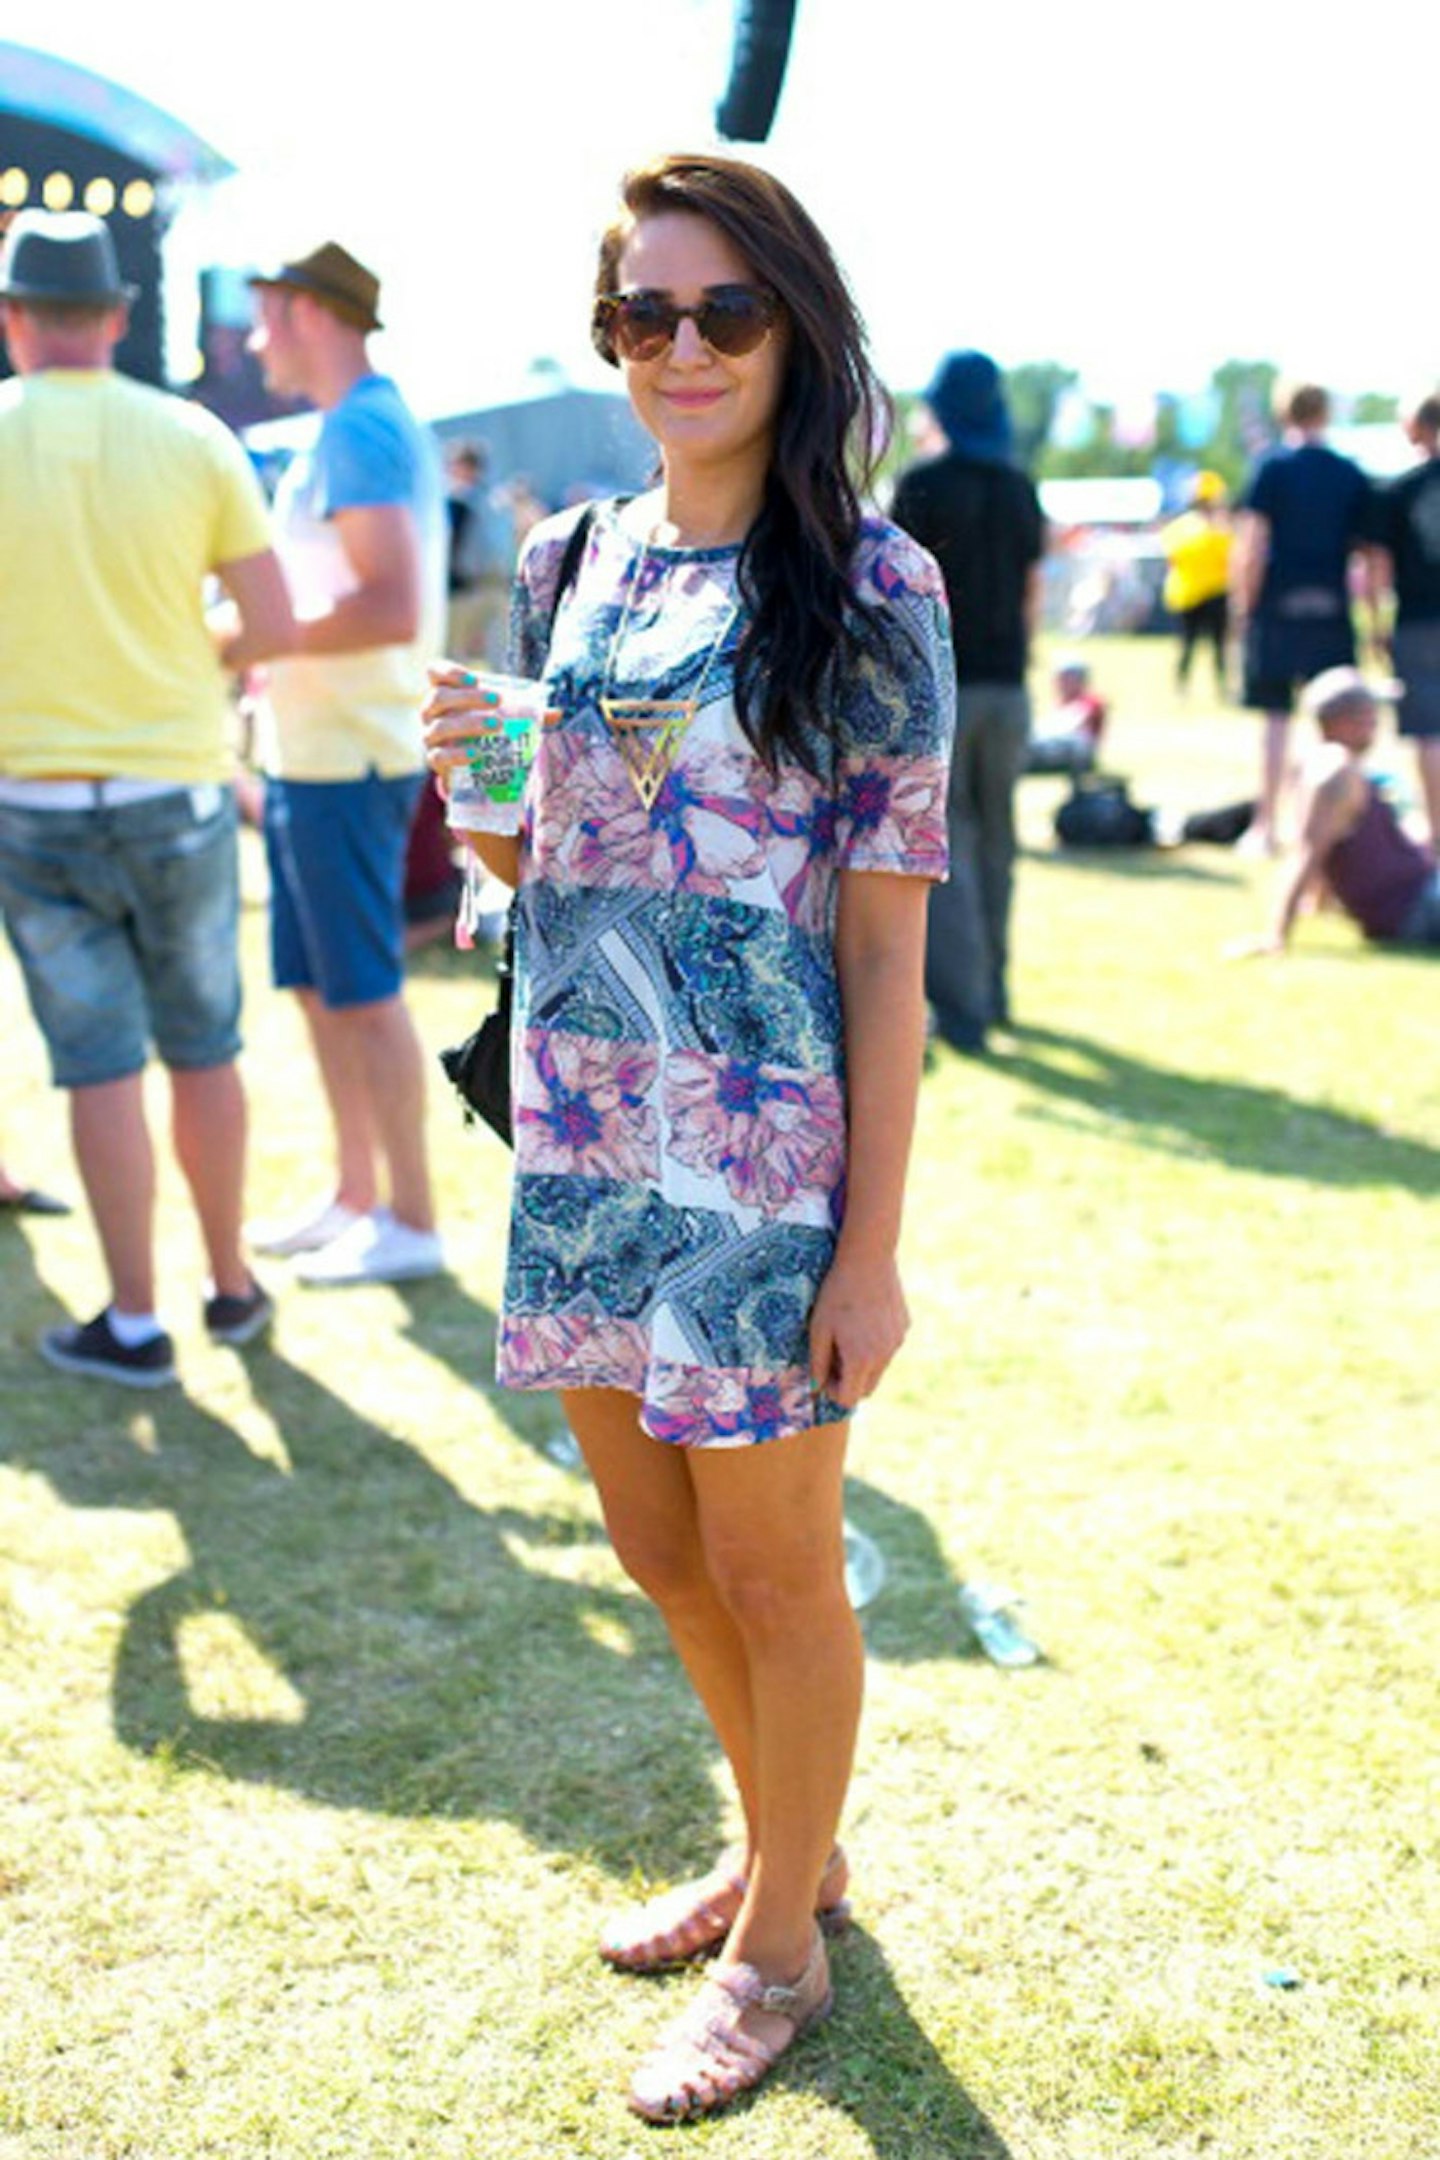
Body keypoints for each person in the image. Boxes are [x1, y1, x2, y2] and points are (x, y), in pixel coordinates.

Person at [423, 153, 954, 2122]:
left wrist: (870, 1252)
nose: (683, 350)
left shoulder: (877, 585)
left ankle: (780, 1954)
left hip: (756, 1166)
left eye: (723, 311)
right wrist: (479, 800)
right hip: (578, 1134)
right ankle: (785, 1845)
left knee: (779, 1573)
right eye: (643, 316)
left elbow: (889, 952)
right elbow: (532, 870)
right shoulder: (564, 557)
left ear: (794, 327)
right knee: (656, 1551)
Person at [0, 210, 292, 1387]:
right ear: (117, 318)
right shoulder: (194, 435)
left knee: (99, 1064)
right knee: (205, 1047)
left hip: (35, 800)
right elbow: (269, 626)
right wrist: (183, 651)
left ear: (14, 319)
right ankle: (229, 1286)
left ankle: (132, 1320)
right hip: (178, 786)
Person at [239, 242, 447, 1284]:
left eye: (264, 314)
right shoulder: (354, 426)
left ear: (310, 313)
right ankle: (358, 1195)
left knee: (360, 991)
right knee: (323, 989)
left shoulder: (361, 427)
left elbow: (389, 602)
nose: (248, 338)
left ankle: (409, 1216)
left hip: (351, 756)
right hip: (316, 751)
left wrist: (251, 639)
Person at [890, 349, 1045, 1050]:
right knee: (998, 839)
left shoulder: (922, 482)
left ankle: (963, 1006)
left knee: (945, 845)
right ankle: (997, 986)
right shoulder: (1019, 486)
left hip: (940, 686)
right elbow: (1033, 592)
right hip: (1009, 685)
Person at [1232, 382, 1376, 852]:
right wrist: (1370, 617)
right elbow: (1364, 555)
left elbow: (1251, 545)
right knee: (1336, 726)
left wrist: (1243, 605)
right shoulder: (1348, 472)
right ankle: (1326, 827)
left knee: (1276, 719)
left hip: (1279, 608)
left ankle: (1267, 825)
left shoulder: (1271, 468)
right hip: (1331, 610)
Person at [1236, 668, 1439, 955]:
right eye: (1367, 714)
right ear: (1342, 722)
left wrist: (1319, 902)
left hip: (1420, 894)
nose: (1375, 723)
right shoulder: (1335, 772)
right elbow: (1307, 853)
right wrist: (1276, 934)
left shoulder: (1319, 767)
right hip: (1416, 906)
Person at [1370, 389, 1440, 846]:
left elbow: (1377, 566)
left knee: (1428, 732)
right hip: (1418, 619)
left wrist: (1375, 624)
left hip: (1417, 621)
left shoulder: (1398, 489)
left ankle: (1436, 833)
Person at [1162, 469, 1232, 698]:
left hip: (1214, 592)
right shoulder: (1184, 527)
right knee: (1188, 644)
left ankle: (1221, 687)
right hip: (1191, 594)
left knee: (1218, 646)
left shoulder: (1221, 528)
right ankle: (1182, 686)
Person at [1025, 652, 1108, 774]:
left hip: (1078, 753)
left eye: (1065, 678)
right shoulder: (1062, 704)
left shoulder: (1090, 701)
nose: (1059, 683)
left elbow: (1072, 726)